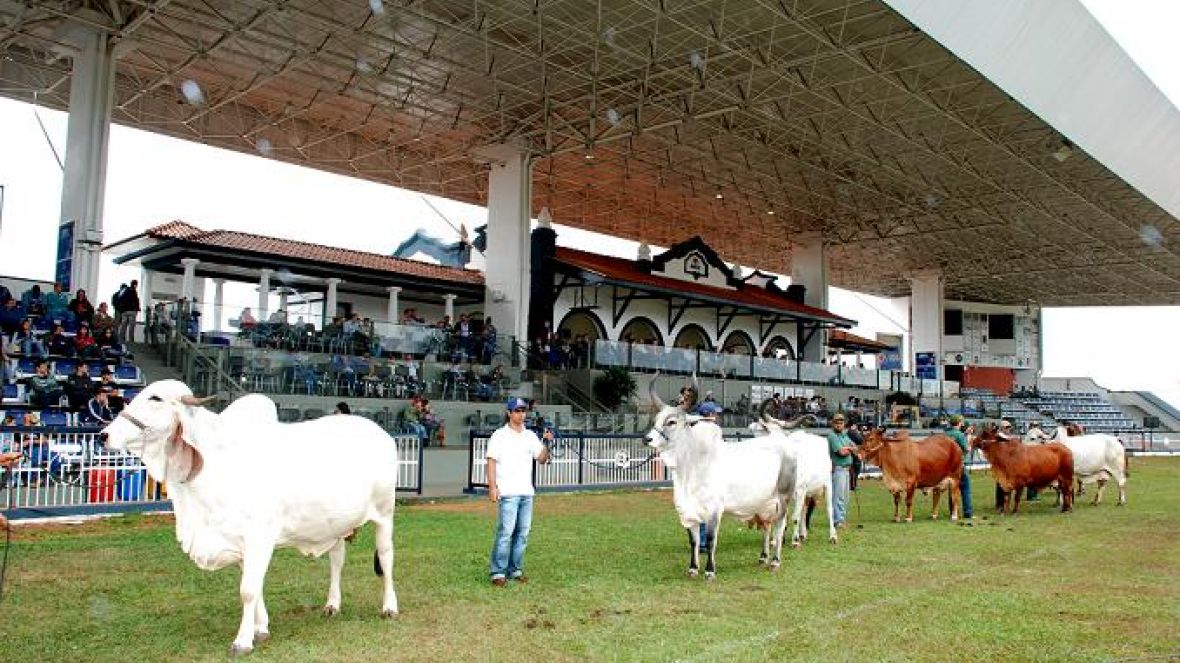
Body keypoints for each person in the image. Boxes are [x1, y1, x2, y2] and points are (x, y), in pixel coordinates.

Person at [486, 396, 553, 586]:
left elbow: (541, 458)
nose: (521, 414)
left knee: (522, 533)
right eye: (517, 411)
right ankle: (498, 572)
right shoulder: (499, 435)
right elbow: (491, 461)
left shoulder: (530, 436)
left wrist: (547, 443)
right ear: (509, 413)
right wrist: (492, 486)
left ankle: (515, 569)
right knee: (506, 532)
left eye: (523, 411)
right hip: (507, 490)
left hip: (526, 491)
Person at [826, 413, 856, 529]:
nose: (839, 425)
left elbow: (855, 447)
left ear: (844, 424)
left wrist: (848, 448)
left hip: (847, 469)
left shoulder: (844, 436)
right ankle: (838, 520)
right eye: (836, 423)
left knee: (845, 496)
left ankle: (841, 519)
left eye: (841, 423)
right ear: (833, 424)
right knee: (838, 496)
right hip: (838, 469)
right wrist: (850, 449)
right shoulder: (832, 436)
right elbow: (841, 452)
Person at [947, 415, 974, 519]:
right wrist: (969, 438)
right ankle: (968, 512)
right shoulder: (959, 435)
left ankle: (953, 511)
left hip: (948, 466)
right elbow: (967, 449)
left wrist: (965, 434)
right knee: (966, 488)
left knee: (952, 489)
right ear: (959, 422)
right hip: (960, 465)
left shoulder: (946, 434)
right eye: (961, 422)